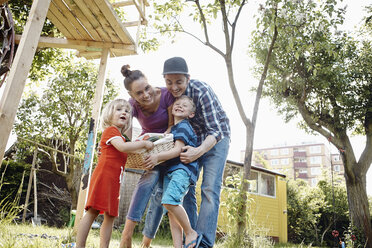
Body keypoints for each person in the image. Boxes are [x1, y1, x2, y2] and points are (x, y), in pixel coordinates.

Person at [143, 57, 231, 248]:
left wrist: (197, 152)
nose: (174, 87)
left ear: (188, 79)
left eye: (179, 82)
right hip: (190, 140)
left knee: (209, 188)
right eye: (169, 82)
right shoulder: (168, 95)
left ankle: (204, 243)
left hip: (216, 139)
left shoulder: (201, 91)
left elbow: (215, 131)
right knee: (186, 187)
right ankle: (190, 240)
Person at [76, 99, 154, 248]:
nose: (124, 112)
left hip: (115, 181)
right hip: (104, 177)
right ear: (109, 115)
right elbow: (123, 147)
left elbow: (127, 151)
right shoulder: (111, 131)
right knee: (92, 212)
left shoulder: (122, 136)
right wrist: (144, 143)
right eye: (119, 109)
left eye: (127, 111)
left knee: (110, 216)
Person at [119, 65, 175, 248]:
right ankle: (126, 236)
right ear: (132, 95)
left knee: (161, 196)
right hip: (148, 148)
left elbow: (172, 127)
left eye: (147, 88)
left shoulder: (166, 95)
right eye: (139, 93)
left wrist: (160, 145)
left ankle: (146, 242)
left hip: (168, 145)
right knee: (147, 181)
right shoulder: (132, 105)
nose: (145, 94)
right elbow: (125, 130)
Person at [143, 95, 202, 248]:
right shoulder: (174, 129)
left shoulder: (183, 126)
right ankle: (178, 246)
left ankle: (190, 232)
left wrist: (157, 157)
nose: (180, 106)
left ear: (191, 114)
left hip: (182, 171)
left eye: (185, 105)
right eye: (178, 103)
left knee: (169, 201)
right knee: (171, 211)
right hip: (172, 170)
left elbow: (177, 151)